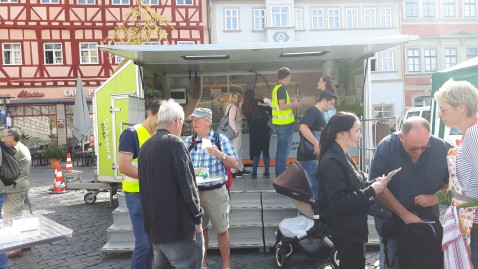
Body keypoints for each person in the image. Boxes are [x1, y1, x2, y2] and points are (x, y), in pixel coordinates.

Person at [371, 116, 452, 269]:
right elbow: (378, 188)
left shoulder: (442, 148)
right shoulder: (387, 147)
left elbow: (456, 182)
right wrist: (406, 215)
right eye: (413, 148)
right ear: (401, 138)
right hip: (392, 223)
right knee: (392, 263)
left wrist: (436, 197)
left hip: (426, 223)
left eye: (424, 147)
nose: (419, 152)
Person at [138, 99, 204, 269]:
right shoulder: (175, 144)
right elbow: (188, 186)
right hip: (177, 231)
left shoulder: (145, 146)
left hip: (155, 231)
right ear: (176, 121)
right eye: (182, 123)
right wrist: (198, 219)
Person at [317, 112, 388, 269]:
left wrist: (372, 183)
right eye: (357, 131)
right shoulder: (332, 161)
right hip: (345, 229)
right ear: (342, 133)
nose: (360, 135)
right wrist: (371, 190)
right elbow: (339, 202)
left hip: (352, 228)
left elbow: (353, 184)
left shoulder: (342, 155)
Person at [184, 107, 239, 269]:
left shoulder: (220, 140)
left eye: (197, 119)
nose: (194, 122)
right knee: (201, 231)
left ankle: (226, 266)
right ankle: (203, 264)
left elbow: (236, 164)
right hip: (196, 193)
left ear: (208, 122)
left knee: (222, 230)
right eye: (193, 119)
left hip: (216, 192)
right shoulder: (189, 142)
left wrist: (220, 155)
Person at [434, 79, 478, 267]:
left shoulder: (474, 134)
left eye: (443, 109)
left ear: (461, 108)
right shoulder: (471, 133)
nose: (439, 115)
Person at [118, 100, 161, 269]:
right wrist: (151, 177)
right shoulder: (131, 134)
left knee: (151, 242)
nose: (160, 122)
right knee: (144, 243)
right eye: (159, 117)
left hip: (153, 194)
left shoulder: (158, 135)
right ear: (149, 113)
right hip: (136, 195)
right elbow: (124, 166)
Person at [297, 90, 336, 199]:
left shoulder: (316, 113)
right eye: (331, 104)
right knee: (316, 187)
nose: (331, 107)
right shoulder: (313, 111)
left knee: (315, 187)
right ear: (324, 100)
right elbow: (303, 127)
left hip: (311, 157)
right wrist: (316, 144)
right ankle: (315, 214)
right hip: (310, 157)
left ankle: (312, 213)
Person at [2, 128, 32, 258]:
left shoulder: (14, 150)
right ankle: (24, 242)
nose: (2, 139)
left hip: (14, 188)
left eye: (4, 136)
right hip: (21, 186)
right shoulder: (22, 147)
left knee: (11, 217)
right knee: (19, 215)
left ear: (11, 138)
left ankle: (14, 249)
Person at [272, 67, 300, 176]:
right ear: (287, 76)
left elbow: (280, 105)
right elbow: (282, 106)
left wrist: (291, 100)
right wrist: (294, 104)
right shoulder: (282, 89)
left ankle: (279, 175)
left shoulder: (276, 88)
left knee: (280, 151)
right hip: (285, 124)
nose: (290, 79)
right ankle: (282, 176)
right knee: (284, 152)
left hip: (279, 124)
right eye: (290, 77)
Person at [241, 89, 272, 179]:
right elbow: (271, 111)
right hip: (265, 129)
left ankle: (254, 173)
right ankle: (267, 172)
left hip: (253, 131)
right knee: (265, 151)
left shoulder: (244, 106)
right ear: (253, 95)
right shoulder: (258, 102)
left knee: (256, 151)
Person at [225, 92, 251, 178]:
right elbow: (231, 120)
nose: (241, 98)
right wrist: (235, 130)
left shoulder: (230, 106)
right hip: (235, 132)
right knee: (235, 151)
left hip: (235, 131)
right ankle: (233, 171)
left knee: (239, 151)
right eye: (239, 97)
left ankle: (240, 168)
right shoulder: (233, 107)